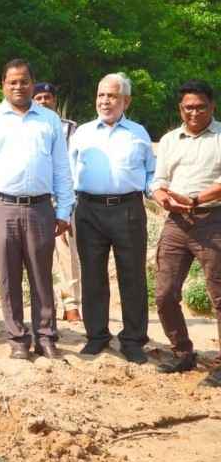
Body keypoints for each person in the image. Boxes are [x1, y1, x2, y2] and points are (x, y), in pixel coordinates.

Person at [0, 59, 73, 360]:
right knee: (9, 277)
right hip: (1, 207)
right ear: (3, 84)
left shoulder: (49, 120)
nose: (18, 86)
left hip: (40, 208)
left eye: (24, 81)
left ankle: (46, 337)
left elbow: (62, 168)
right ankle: (18, 340)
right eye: (12, 81)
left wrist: (64, 209)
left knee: (41, 276)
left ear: (32, 83)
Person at [66, 74, 155, 363]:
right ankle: (96, 336)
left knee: (132, 276)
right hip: (88, 210)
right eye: (101, 95)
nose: (105, 101)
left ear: (126, 101)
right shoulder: (82, 133)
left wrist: (157, 193)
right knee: (92, 275)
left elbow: (152, 173)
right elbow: (67, 171)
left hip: (128, 209)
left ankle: (133, 340)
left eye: (112, 96)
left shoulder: (139, 133)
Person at [151, 80, 221, 388]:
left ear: (212, 106)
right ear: (180, 109)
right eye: (188, 107)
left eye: (200, 106)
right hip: (176, 223)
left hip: (213, 220)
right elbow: (159, 180)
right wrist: (161, 196)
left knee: (218, 295)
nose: (194, 112)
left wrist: (195, 200)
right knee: (165, 293)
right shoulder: (169, 140)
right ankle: (182, 351)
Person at [33, 82, 82, 323]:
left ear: (54, 100)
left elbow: (72, 166)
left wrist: (67, 201)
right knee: (39, 255)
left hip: (63, 200)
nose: (43, 101)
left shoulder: (71, 129)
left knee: (67, 254)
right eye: (39, 98)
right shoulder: (27, 126)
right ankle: (46, 304)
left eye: (47, 97)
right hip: (36, 201)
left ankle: (71, 305)